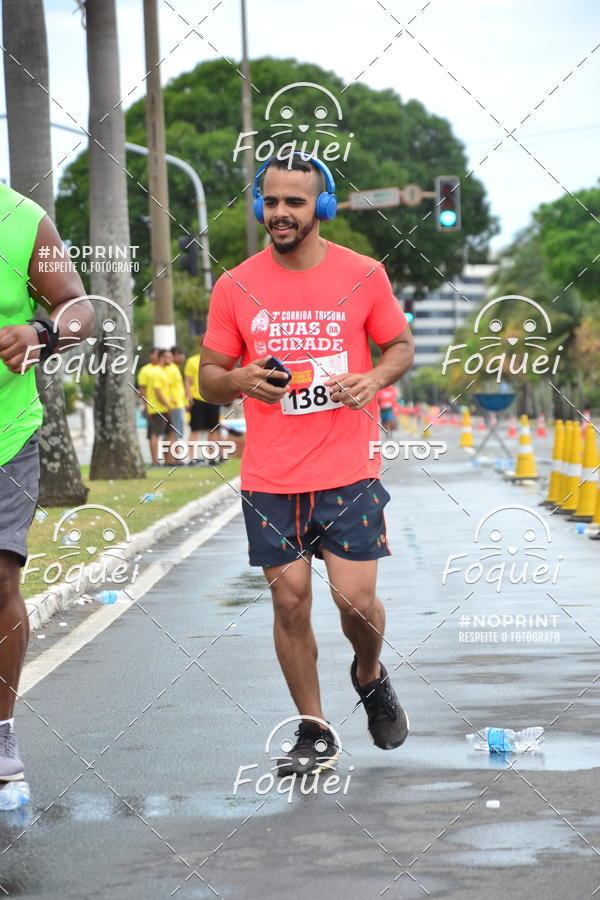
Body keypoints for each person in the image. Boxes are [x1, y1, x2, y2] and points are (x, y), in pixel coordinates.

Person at [199, 153, 414, 776]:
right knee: (290, 603)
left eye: (294, 201)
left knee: (356, 603)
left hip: (349, 467)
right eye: (270, 201)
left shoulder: (363, 274)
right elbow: (208, 378)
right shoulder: (235, 284)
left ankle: (369, 675)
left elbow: (399, 345)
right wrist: (237, 378)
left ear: (320, 207)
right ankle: (314, 730)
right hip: (271, 475)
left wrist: (373, 377)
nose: (280, 213)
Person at [0, 183, 94, 782]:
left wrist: (41, 335)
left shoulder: (23, 220)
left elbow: (79, 307)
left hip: (6, 438)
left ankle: (1, 732)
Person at [184, 334, 220, 465]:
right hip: (197, 399)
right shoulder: (192, 361)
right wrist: (188, 398)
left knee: (214, 429)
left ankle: (212, 457)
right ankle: (192, 458)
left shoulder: (216, 360)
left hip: (213, 398)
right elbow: (187, 382)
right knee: (195, 429)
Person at [145, 348, 173, 467]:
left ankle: (168, 461)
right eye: (168, 357)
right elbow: (157, 391)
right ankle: (154, 461)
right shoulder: (156, 372)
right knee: (155, 435)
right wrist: (167, 405)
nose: (171, 359)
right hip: (157, 409)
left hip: (164, 408)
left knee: (169, 434)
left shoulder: (162, 371)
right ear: (162, 358)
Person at [165, 346, 186, 457]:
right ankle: (176, 458)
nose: (182, 357)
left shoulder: (174, 368)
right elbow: (166, 387)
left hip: (179, 404)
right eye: (180, 354)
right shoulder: (170, 369)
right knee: (174, 432)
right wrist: (170, 401)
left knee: (175, 432)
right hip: (174, 405)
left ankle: (175, 458)